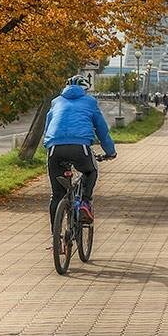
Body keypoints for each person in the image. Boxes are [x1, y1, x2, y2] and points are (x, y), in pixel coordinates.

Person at [42, 74, 117, 228]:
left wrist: (48, 146)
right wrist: (110, 151)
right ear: (85, 89)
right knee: (91, 171)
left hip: (55, 149)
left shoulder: (56, 102)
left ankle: (56, 238)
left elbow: (48, 127)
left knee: (57, 195)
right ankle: (84, 203)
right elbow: (101, 129)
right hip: (79, 147)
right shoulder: (89, 102)